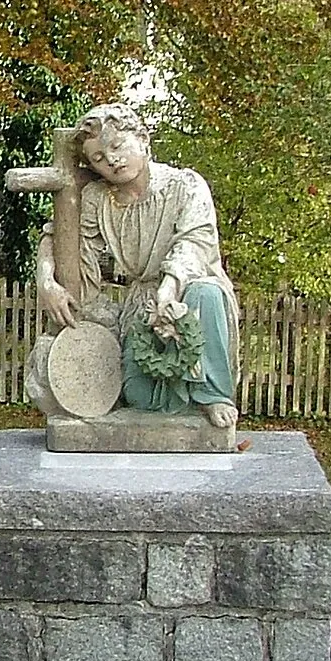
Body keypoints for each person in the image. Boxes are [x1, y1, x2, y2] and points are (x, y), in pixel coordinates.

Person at [35, 104, 239, 428]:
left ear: (143, 140)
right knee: (139, 394)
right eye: (98, 158)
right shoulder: (98, 199)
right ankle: (178, 396)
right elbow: (57, 236)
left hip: (187, 290)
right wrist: (47, 283)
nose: (112, 160)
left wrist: (168, 292)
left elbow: (194, 244)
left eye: (117, 146)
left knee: (206, 292)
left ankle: (212, 395)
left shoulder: (185, 185)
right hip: (142, 304)